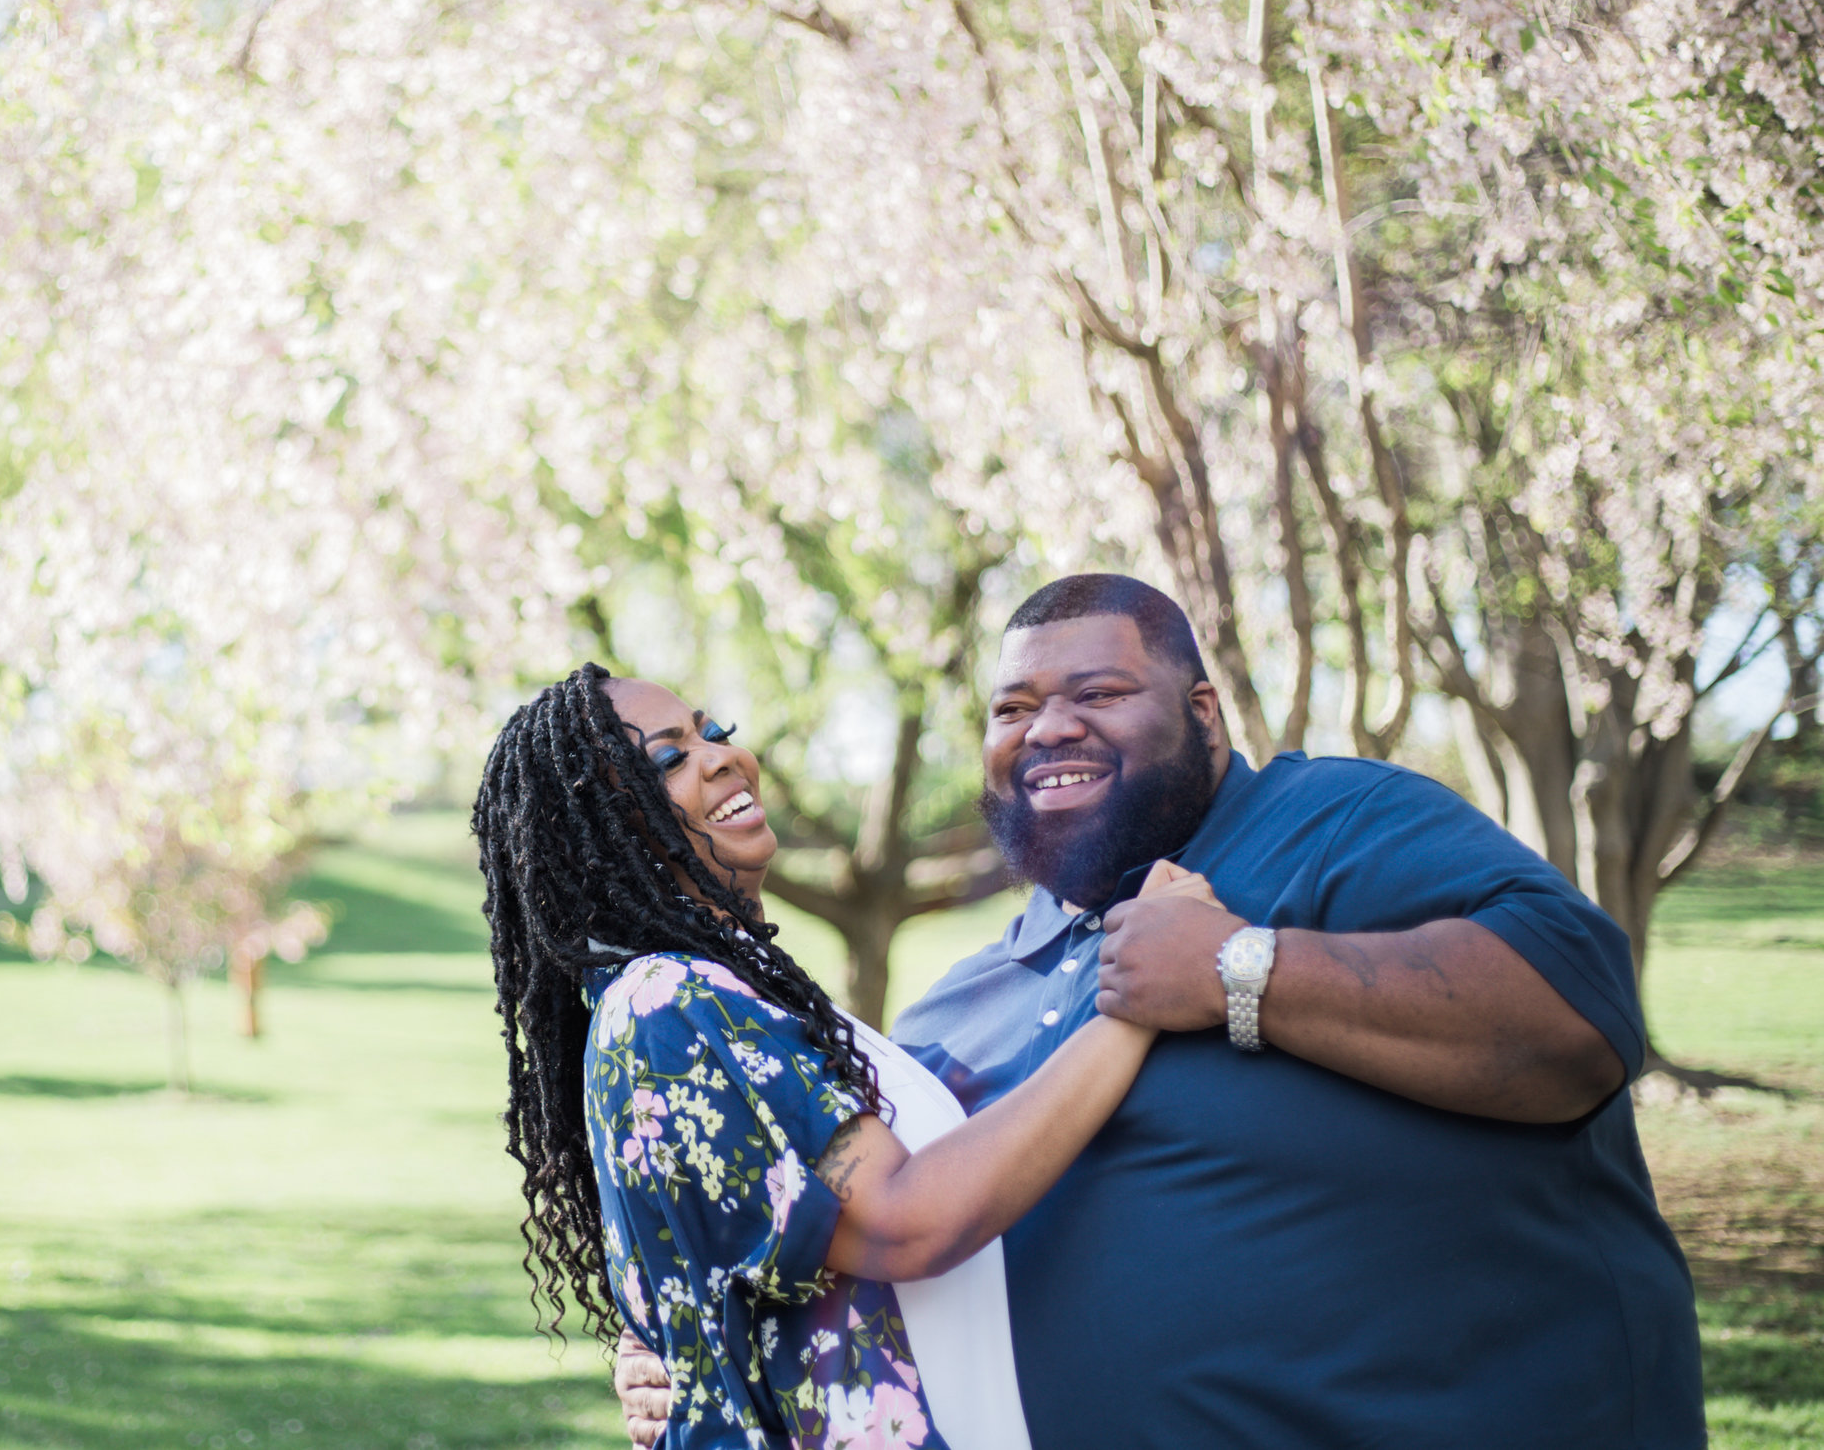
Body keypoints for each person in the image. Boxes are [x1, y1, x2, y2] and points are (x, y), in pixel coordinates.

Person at [615, 573, 1704, 1449]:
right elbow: (857, 1224)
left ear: (1202, 714)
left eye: (1096, 693)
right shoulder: (953, 1013)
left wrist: (1244, 968)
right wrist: (693, 1349)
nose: (1048, 728)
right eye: (1013, 707)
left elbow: (1581, 1016)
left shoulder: (1333, 825)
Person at [474, 662, 1223, 1449]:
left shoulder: (728, 996)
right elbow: (905, 1220)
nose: (722, 755)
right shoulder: (673, 1003)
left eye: (712, 730)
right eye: (668, 758)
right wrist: (1139, 1001)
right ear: (597, 837)